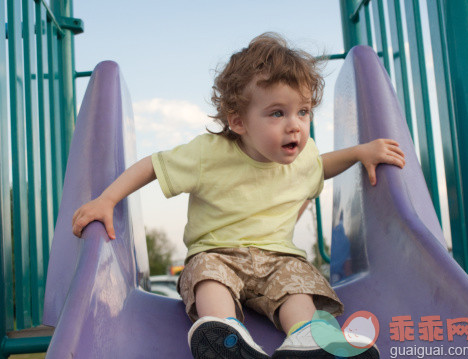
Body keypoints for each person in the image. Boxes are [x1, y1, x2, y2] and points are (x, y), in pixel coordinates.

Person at [72, 33, 405, 359]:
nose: (295, 126)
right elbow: (153, 166)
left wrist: (360, 151)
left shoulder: (303, 157)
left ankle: (310, 339)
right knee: (207, 277)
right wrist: (107, 200)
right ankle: (225, 336)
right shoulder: (208, 154)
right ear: (239, 121)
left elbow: (320, 167)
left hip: (278, 257)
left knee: (297, 285)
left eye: (303, 112)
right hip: (217, 251)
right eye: (278, 113)